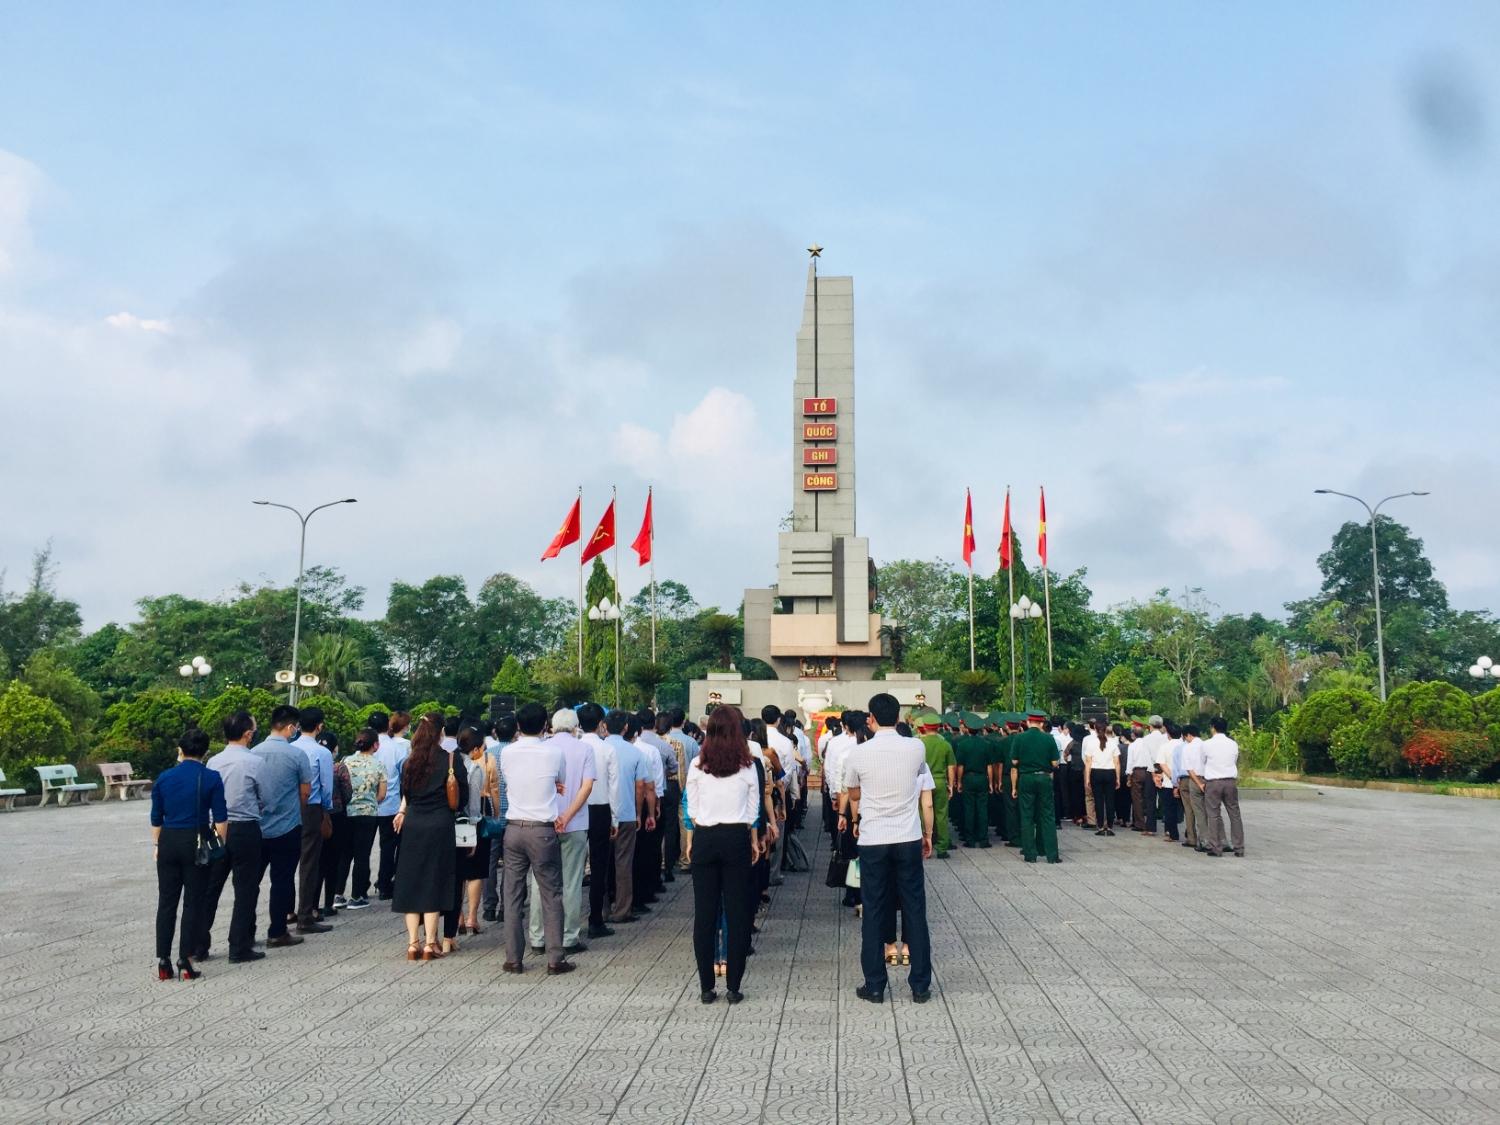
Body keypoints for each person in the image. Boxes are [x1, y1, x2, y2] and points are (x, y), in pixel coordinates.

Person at [843, 693, 934, 1005]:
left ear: (871, 718)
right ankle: (920, 984)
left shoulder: (858, 754)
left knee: (875, 909)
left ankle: (875, 984)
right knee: (914, 909)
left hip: (873, 838)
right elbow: (919, 777)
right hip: (907, 836)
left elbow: (853, 793)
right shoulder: (915, 747)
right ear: (899, 717)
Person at [685, 704, 759, 1004]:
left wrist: (691, 839)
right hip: (736, 838)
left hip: (705, 837)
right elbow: (753, 808)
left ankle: (706, 986)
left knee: (705, 913)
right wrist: (753, 840)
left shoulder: (697, 764)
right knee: (737, 912)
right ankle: (734, 986)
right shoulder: (748, 765)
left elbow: (691, 806)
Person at [500, 702, 575, 975]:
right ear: (546, 725)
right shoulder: (554, 752)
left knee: (513, 894)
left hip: (514, 828)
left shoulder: (507, 753)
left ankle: (513, 958)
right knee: (551, 893)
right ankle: (555, 959)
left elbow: (510, 781)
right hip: (542, 830)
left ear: (518, 725)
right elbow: (560, 781)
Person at [151, 727, 227, 981]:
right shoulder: (212, 777)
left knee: (167, 902)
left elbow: (156, 818)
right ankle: (185, 960)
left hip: (169, 841)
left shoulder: (164, 778)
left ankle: (163, 961)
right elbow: (221, 820)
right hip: (196, 841)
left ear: (180, 750)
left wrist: (157, 847)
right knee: (193, 902)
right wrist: (218, 845)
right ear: (205, 752)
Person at [392, 713, 466, 960]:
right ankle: (431, 943)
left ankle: (413, 943)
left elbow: (406, 795)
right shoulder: (451, 760)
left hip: (413, 823)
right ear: (440, 732)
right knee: (434, 880)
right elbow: (461, 799)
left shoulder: (409, 762)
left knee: (411, 881)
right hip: (440, 824)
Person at [197, 710, 264, 964]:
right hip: (246, 828)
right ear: (248, 734)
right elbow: (264, 797)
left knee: (210, 886)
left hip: (217, 828)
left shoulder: (213, 761)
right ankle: (239, 946)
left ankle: (198, 945)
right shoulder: (255, 761)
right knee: (245, 889)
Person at [527, 709, 594, 955]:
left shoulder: (543, 748)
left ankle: (538, 936)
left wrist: (555, 815)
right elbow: (586, 786)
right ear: (577, 726)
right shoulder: (585, 749)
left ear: (552, 726)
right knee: (572, 881)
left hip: (544, 822)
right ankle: (568, 936)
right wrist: (568, 815)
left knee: (539, 880)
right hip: (575, 824)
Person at [252, 705, 314, 947]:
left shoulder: (253, 752)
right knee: (282, 880)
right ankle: (277, 931)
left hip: (256, 827)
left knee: (250, 883)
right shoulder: (297, 755)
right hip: (287, 826)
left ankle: (245, 931)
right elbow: (305, 792)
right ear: (291, 727)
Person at [607, 711, 653, 925]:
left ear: (604, 727)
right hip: (625, 812)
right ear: (626, 727)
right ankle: (622, 909)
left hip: (598, 813)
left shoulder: (596, 748)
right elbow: (641, 785)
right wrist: (638, 812)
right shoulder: (634, 753)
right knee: (623, 862)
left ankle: (602, 908)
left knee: (602, 862)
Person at [292, 706, 335, 932]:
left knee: (289, 861)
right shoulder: (322, 752)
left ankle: (287, 910)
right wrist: (326, 811)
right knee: (309, 862)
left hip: (290, 808)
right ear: (320, 726)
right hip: (312, 807)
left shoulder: (290, 748)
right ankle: (305, 914)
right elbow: (326, 786)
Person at [579, 703, 618, 938]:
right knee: (599, 866)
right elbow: (613, 787)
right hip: (602, 809)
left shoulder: (574, 747)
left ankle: (569, 921)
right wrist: (614, 818)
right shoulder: (607, 749)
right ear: (601, 723)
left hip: (577, 809)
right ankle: (596, 919)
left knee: (573, 865)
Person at [340, 728, 386, 908]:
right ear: (375, 745)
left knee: (344, 854)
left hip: (347, 812)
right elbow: (382, 794)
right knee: (362, 855)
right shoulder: (378, 765)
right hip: (367, 814)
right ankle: (357, 895)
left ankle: (337, 894)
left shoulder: (346, 761)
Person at [1010, 712, 1061, 863]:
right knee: (1047, 816)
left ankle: (1029, 854)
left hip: (1026, 778)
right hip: (1044, 777)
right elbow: (1054, 763)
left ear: (1028, 721)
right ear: (1042, 723)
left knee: (1027, 816)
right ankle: (1051, 854)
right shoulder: (1048, 738)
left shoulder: (1020, 738)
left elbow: (1014, 761)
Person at [481, 712, 517, 923]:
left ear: (495, 732)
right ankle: (507, 907)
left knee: (490, 863)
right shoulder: (519, 754)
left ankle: (488, 906)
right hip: (513, 817)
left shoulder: (487, 755)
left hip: (492, 817)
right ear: (516, 733)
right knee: (512, 865)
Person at [371, 710, 406, 899]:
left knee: (362, 850)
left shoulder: (365, 744)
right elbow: (404, 776)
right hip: (391, 803)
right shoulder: (398, 749)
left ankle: (357, 888)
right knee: (388, 846)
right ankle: (385, 884)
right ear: (388, 726)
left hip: (368, 805)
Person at [1202, 717, 1245, 858]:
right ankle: (1239, 847)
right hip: (1230, 782)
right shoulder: (1233, 744)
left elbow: (1203, 762)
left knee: (1213, 814)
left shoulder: (1207, 744)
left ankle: (1216, 847)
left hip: (1213, 782)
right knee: (1235, 814)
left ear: (1213, 727)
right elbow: (1234, 760)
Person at [318, 730, 352, 913]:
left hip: (316, 815)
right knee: (334, 861)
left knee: (317, 862)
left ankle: (311, 905)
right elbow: (348, 792)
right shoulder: (339, 768)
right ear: (334, 748)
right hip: (337, 817)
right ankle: (328, 903)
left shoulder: (311, 764)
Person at [914, 713, 955, 859]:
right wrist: (951, 785)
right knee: (942, 814)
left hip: (922, 782)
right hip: (939, 781)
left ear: (924, 727)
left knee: (922, 812)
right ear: (938, 727)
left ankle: (924, 842)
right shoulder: (945, 744)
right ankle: (942, 847)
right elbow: (951, 767)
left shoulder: (918, 745)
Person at [952, 713, 991, 849]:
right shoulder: (986, 744)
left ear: (967, 728)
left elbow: (960, 766)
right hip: (982, 778)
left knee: (969, 809)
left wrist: (959, 781)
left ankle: (970, 839)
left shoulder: (963, 744)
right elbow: (989, 766)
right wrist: (991, 782)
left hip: (968, 778)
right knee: (982, 809)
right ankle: (984, 838)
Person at [1128, 717, 1166, 834]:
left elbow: (1147, 758)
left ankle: (1151, 828)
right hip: (1164, 768)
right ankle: (1169, 829)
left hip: (1151, 769)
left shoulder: (1147, 739)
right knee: (1166, 799)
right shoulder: (1165, 738)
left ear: (1150, 726)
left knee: (1150, 799)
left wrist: (1153, 773)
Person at [1082, 721, 1119, 836]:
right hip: (1110, 772)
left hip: (1096, 772)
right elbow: (1117, 762)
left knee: (1098, 800)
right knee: (1110, 800)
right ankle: (1110, 826)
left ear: (1096, 729)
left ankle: (1100, 826)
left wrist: (1087, 778)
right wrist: (1118, 778)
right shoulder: (1113, 743)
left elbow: (1088, 762)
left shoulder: (1091, 743)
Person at [1178, 725, 1207, 851]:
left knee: (1193, 811)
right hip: (1208, 779)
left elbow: (1189, 769)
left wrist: (1198, 783)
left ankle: (1198, 839)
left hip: (1193, 780)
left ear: (1188, 735)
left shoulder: (1187, 748)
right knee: (1208, 811)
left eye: (1185, 737)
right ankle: (1214, 839)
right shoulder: (1206, 745)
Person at [1157, 721, 1182, 843]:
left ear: (1168, 734)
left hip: (1169, 783)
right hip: (1185, 781)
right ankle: (1191, 833)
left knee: (1169, 809)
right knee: (1187, 810)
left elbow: (1162, 764)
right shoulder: (1185, 745)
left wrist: (1173, 778)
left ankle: (1172, 833)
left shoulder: (1164, 746)